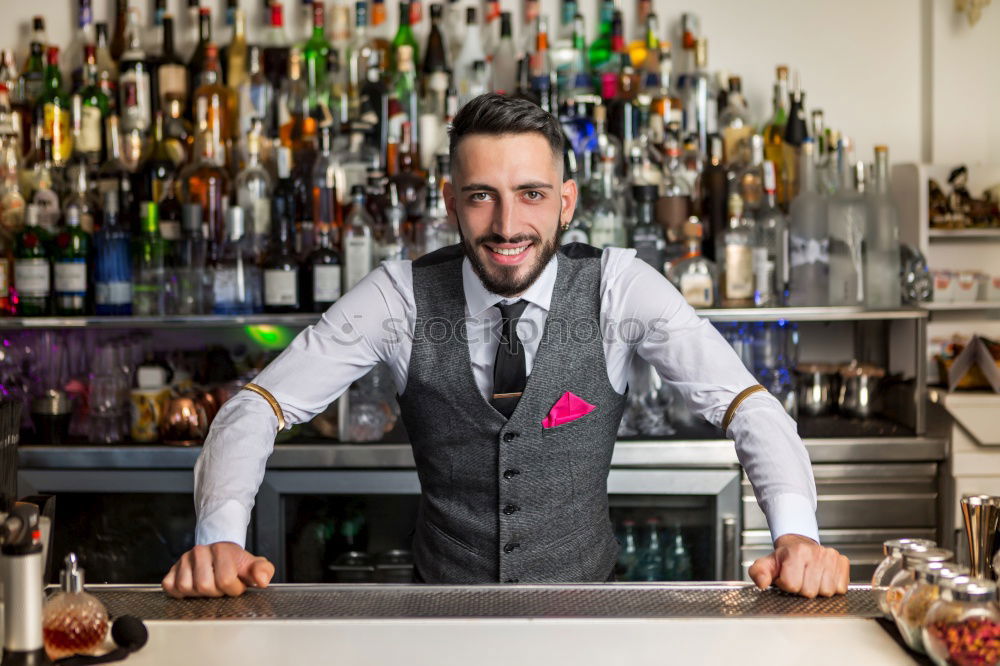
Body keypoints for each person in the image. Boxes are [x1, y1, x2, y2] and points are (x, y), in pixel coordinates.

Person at [162, 93, 849, 599]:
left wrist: (797, 534)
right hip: (440, 616)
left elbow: (750, 406)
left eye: (531, 194)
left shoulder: (620, 288)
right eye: (482, 196)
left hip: (589, 616)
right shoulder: (399, 296)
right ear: (449, 201)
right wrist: (219, 537)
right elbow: (256, 406)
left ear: (568, 200)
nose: (508, 223)